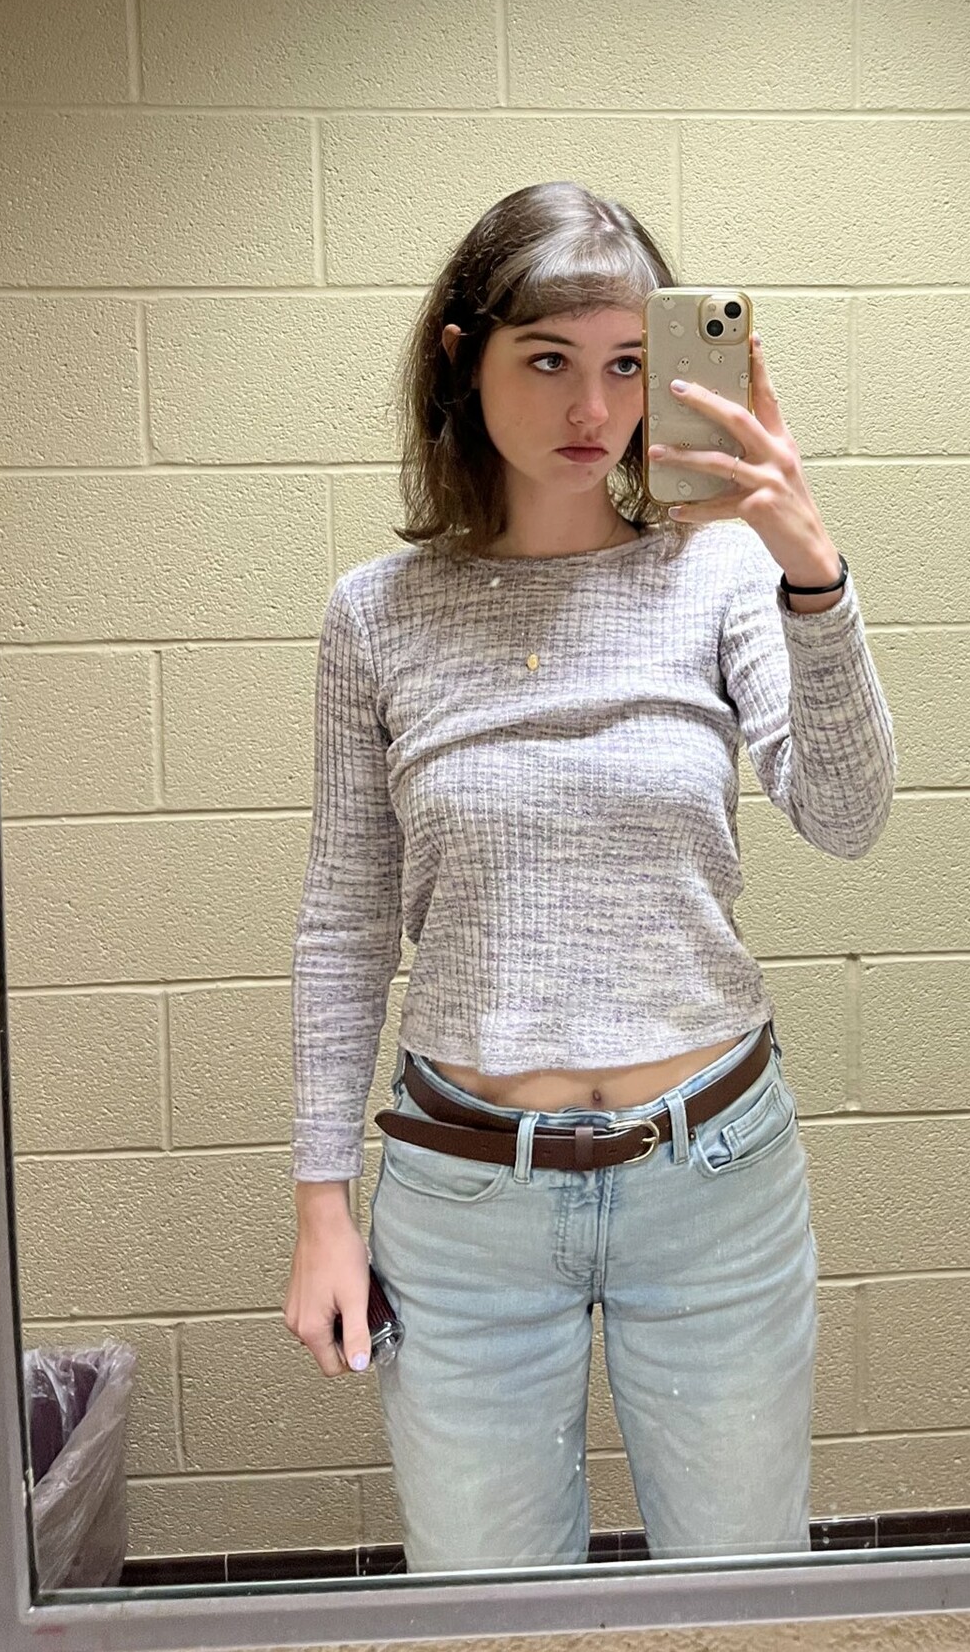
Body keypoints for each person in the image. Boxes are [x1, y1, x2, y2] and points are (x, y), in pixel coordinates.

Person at [283, 181, 897, 1574]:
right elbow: (344, 918)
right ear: (464, 362)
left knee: (738, 1585)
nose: (592, 408)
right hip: (463, 1196)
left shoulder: (720, 575)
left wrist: (811, 571)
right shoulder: (377, 615)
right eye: (549, 359)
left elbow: (848, 814)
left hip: (713, 1171)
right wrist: (322, 1202)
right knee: (489, 1602)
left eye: (627, 365)